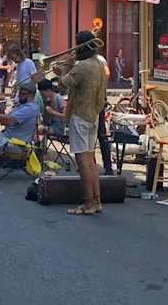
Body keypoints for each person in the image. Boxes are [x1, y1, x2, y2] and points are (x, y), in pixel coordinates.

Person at [57, 31, 108, 215]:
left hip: (79, 115)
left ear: (81, 46)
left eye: (76, 44)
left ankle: (87, 203)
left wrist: (67, 65)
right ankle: (97, 201)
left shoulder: (81, 66)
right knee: (91, 159)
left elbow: (62, 84)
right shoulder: (99, 65)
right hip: (93, 115)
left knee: (82, 160)